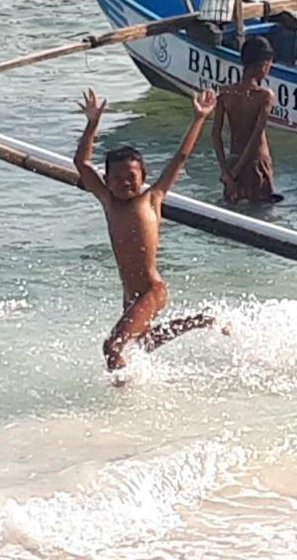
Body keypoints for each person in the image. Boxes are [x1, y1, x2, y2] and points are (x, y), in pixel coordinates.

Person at [74, 87, 219, 372]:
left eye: (131, 177)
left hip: (152, 290)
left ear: (144, 177)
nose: (124, 183)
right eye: (117, 178)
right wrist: (92, 124)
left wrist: (199, 118)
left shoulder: (151, 198)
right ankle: (201, 320)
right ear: (107, 180)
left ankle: (122, 400)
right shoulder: (108, 201)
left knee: (112, 346)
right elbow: (81, 163)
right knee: (141, 345)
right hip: (130, 294)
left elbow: (180, 158)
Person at [212, 36, 281, 203]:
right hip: (256, 163)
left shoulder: (225, 93)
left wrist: (227, 172)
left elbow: (215, 134)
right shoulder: (264, 95)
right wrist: (236, 171)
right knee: (262, 213)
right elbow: (256, 136)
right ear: (264, 65)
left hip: (232, 159)